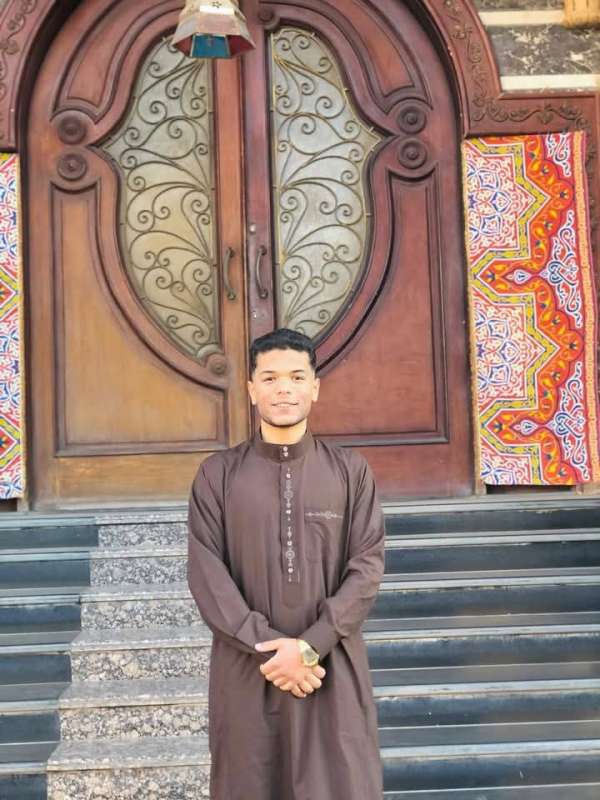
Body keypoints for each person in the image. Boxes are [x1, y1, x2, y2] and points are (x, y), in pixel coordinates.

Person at [187, 327, 385, 800]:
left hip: (331, 667)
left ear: (315, 387)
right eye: (270, 378)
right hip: (248, 670)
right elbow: (207, 574)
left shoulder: (350, 472)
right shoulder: (218, 475)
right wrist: (272, 651)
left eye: (297, 377)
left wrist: (311, 647)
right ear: (251, 389)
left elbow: (366, 569)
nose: (284, 389)